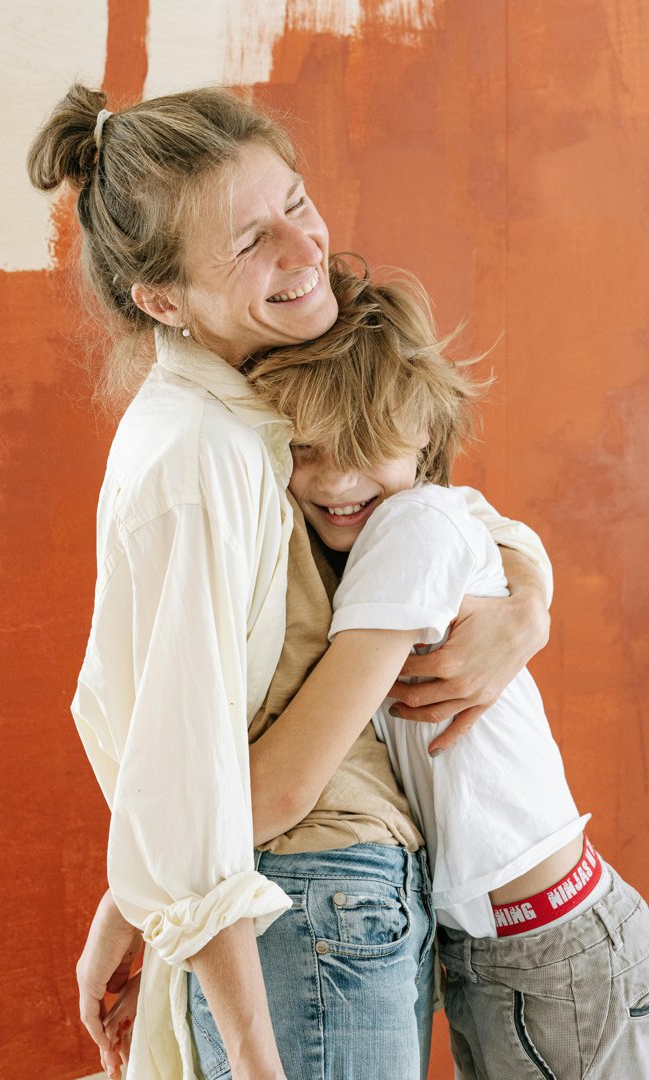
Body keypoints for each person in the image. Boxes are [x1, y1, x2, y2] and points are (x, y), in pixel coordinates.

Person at [27, 85, 552, 1080]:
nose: (306, 251)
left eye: (297, 204)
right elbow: (194, 790)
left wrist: (527, 592)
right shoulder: (203, 460)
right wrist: (258, 1056)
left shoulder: (273, 394)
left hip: (333, 898)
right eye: (249, 241)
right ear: (163, 300)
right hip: (313, 904)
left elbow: (426, 503)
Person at [247, 259, 649, 1078]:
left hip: (540, 950)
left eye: (365, 445)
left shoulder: (413, 528)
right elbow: (504, 533)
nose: (336, 480)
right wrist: (530, 593)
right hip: (530, 938)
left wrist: (146, 887)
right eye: (306, 448)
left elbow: (283, 789)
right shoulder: (418, 522)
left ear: (427, 428)